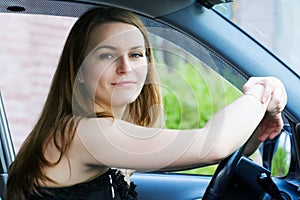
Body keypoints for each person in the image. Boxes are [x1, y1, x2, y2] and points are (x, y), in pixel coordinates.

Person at [6, 7, 287, 200]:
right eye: (106, 55)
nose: (125, 67)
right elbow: (210, 146)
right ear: (78, 71)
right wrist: (263, 91)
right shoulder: (81, 133)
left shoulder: (107, 133)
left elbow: (199, 155)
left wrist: (254, 133)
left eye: (137, 54)